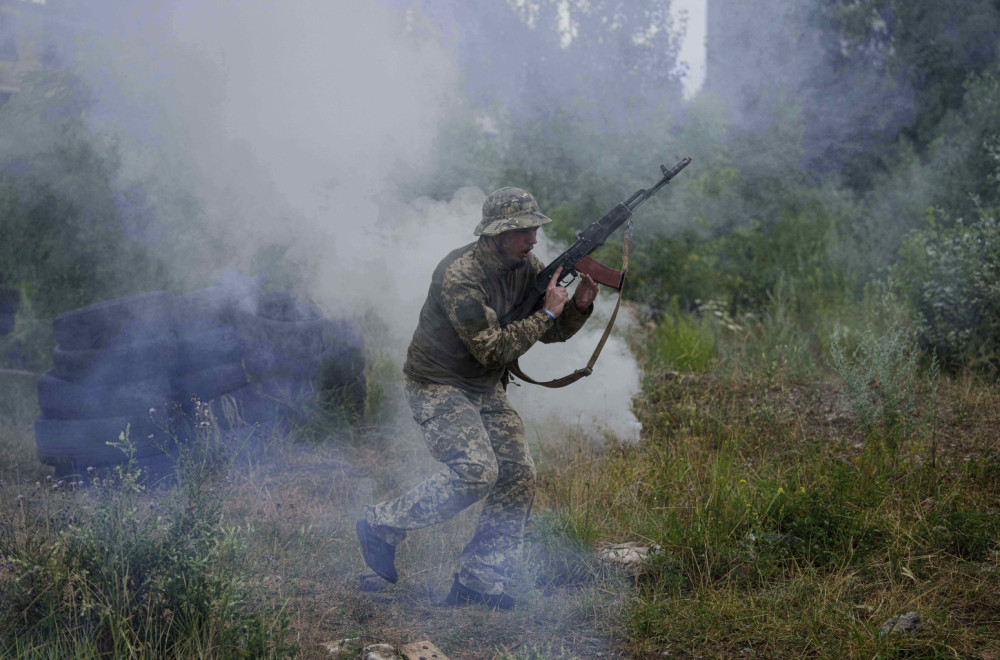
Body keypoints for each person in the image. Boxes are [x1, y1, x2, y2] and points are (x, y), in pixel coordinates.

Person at [356, 186, 598, 609]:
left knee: (518, 472)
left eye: (534, 229)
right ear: (495, 234)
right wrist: (547, 312)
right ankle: (380, 524)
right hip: (438, 383)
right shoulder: (461, 276)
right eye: (522, 231)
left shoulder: (528, 267)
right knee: (475, 471)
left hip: (484, 386)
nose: (533, 239)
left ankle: (478, 583)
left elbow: (548, 330)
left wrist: (575, 307)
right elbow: (494, 349)